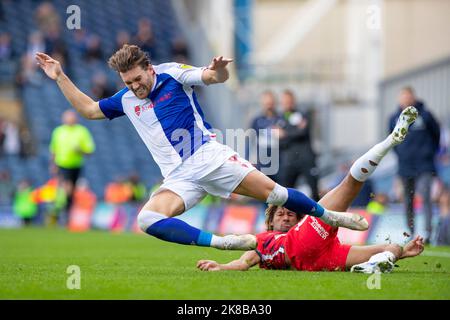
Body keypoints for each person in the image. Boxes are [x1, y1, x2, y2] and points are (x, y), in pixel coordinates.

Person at [36, 45, 368, 252]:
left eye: (138, 79)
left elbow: (211, 77)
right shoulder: (124, 99)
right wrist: (59, 76)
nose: (135, 87)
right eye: (128, 83)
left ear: (149, 69)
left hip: (209, 158)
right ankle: (222, 242)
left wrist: (220, 68)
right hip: (177, 178)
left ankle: (331, 216)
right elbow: (90, 110)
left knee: (276, 194)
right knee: (148, 220)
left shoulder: (172, 75)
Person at [197, 107, 424, 274]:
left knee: (392, 246)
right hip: (304, 244)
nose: (286, 217)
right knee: (349, 184)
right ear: (270, 222)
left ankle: (377, 262)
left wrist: (404, 251)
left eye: (290, 214)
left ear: (298, 219)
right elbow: (243, 263)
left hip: (323, 256)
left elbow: (245, 263)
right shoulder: (261, 240)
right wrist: (222, 267)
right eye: (281, 214)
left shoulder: (296, 231)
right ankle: (390, 141)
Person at [389, 86, 441, 244]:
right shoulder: (394, 118)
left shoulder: (425, 115)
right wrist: (402, 155)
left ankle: (428, 233)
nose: (406, 99)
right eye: (403, 97)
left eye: (408, 96)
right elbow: (391, 139)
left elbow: (436, 135)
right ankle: (410, 233)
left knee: (425, 197)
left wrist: (429, 153)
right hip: (405, 166)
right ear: (399, 99)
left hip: (424, 165)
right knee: (408, 200)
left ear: (414, 98)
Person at [49, 110, 95, 215]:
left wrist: (79, 150)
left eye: (71, 117)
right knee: (66, 186)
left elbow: (90, 151)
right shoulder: (58, 131)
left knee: (71, 190)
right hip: (62, 164)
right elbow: (53, 149)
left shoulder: (82, 131)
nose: (69, 120)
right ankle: (60, 208)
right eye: (67, 117)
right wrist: (52, 164)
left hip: (76, 165)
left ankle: (66, 209)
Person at [277, 90, 320, 200]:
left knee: (314, 191)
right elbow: (279, 139)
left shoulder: (302, 114)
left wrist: (285, 133)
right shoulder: (279, 118)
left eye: (289, 101)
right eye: (285, 101)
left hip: (306, 159)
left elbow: (302, 132)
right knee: (286, 193)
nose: (288, 104)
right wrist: (293, 132)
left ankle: (318, 216)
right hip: (289, 161)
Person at [250, 90, 284, 183]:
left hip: (280, 161)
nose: (269, 105)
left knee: (281, 190)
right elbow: (251, 141)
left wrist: (283, 134)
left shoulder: (281, 118)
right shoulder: (257, 121)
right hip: (263, 162)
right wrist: (251, 160)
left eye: (271, 103)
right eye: (266, 103)